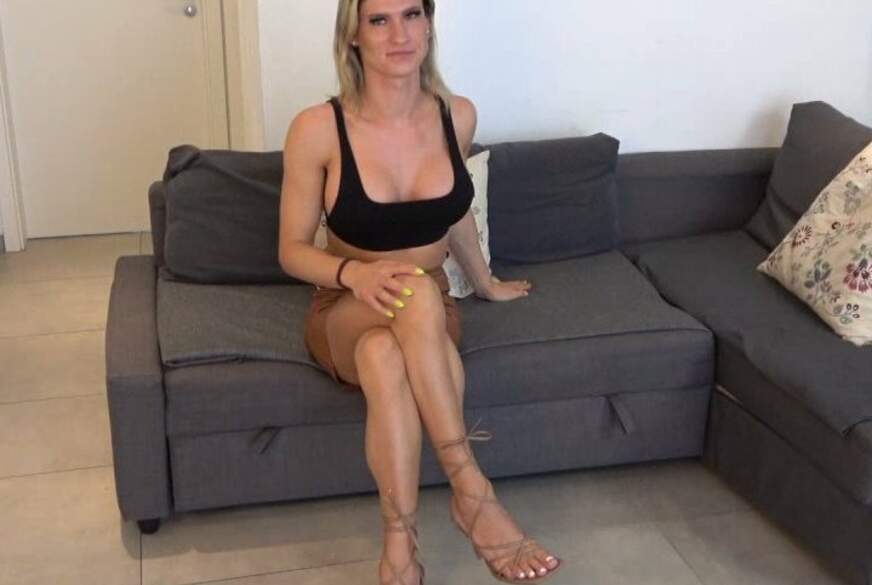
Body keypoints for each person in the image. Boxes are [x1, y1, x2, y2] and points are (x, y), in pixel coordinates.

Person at [278, 1, 562, 583]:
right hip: (347, 304)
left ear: (429, 24)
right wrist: (353, 274)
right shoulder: (318, 129)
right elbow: (291, 249)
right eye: (379, 20)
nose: (400, 34)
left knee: (387, 354)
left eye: (412, 14)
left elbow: (453, 214)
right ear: (353, 36)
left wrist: (485, 284)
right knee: (406, 303)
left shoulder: (457, 116)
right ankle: (472, 493)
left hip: (428, 306)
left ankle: (399, 548)